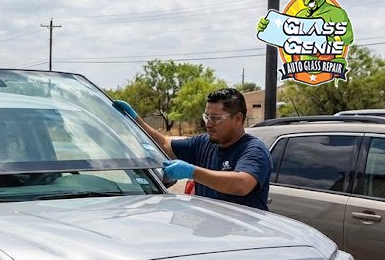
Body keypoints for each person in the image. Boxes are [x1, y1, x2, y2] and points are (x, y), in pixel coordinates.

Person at [112, 87, 272, 211]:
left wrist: (192, 172)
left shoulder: (253, 150)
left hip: (244, 239)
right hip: (210, 232)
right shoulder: (204, 143)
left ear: (238, 119)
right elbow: (165, 145)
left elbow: (241, 185)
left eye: (216, 118)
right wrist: (135, 120)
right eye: (206, 117)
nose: (208, 123)